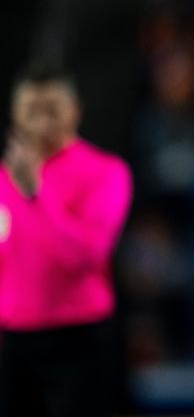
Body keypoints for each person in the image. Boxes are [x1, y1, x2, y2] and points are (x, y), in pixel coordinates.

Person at [0, 61, 133, 416]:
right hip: (12, 345)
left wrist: (36, 196)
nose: (43, 121)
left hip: (79, 342)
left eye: (53, 109)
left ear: (75, 111)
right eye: (32, 110)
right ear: (15, 114)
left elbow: (85, 256)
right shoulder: (1, 180)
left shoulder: (106, 173)